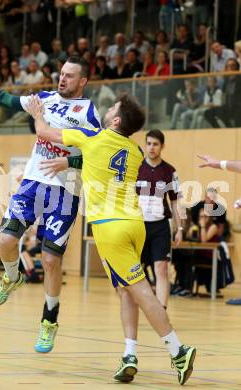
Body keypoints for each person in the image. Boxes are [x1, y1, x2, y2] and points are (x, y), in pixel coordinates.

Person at [26, 93, 196, 385]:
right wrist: (70, 163)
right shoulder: (134, 150)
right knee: (126, 290)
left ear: (116, 119)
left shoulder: (92, 137)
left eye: (112, 109)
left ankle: (178, 349)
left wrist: (38, 112)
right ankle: (130, 354)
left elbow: (43, 132)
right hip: (135, 223)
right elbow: (95, 161)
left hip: (109, 227)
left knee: (141, 290)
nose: (106, 110)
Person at [0, 56, 101, 353]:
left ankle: (49, 321)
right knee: (5, 240)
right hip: (33, 184)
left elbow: (100, 156)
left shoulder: (89, 112)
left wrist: (69, 160)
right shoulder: (44, 99)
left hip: (65, 191)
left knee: (51, 260)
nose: (62, 79)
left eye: (70, 76)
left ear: (83, 81)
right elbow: (3, 98)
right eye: (61, 73)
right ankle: (12, 277)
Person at [136, 129, 182, 309]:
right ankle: (140, 305)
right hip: (138, 226)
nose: (151, 148)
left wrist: (180, 229)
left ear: (162, 146)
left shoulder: (170, 171)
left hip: (161, 227)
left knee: (161, 268)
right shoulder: (136, 167)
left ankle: (161, 309)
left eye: (155, 144)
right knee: (136, 269)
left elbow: (176, 202)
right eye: (148, 144)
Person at [198, 155, 241, 305]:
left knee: (219, 252)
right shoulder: (199, 207)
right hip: (202, 239)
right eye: (207, 197)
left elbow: (220, 228)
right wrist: (218, 163)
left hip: (215, 239)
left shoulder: (220, 210)